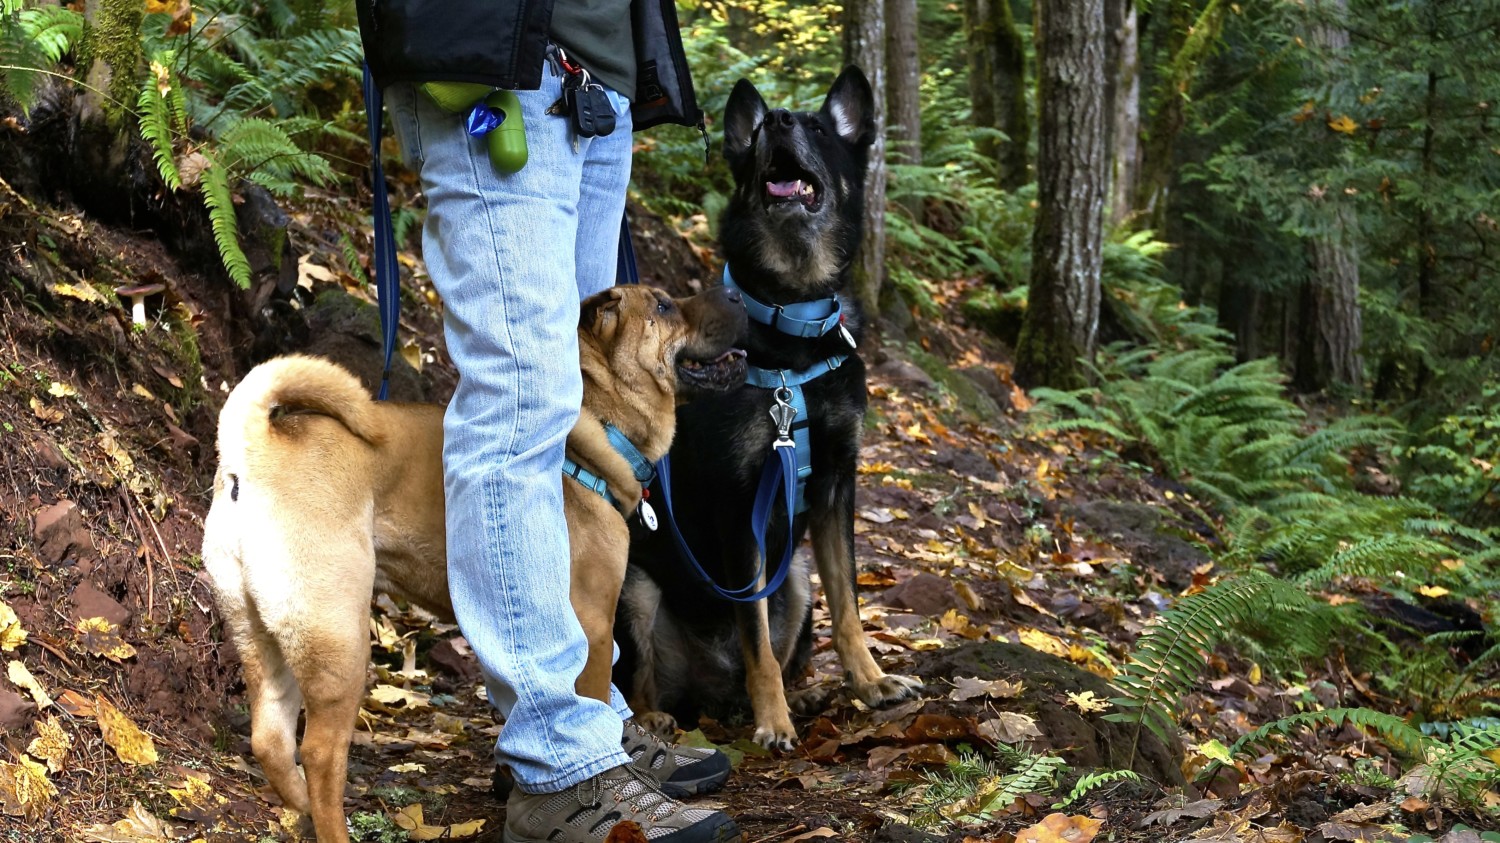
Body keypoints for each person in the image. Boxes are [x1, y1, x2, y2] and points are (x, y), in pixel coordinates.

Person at [356, 3, 740, 841]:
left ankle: (587, 721)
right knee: (520, 403)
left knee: (565, 394)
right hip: (493, 63)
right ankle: (554, 761)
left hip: (595, 84)